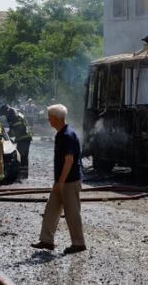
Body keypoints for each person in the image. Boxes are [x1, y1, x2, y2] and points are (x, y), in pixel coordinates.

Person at [31, 104, 86, 255]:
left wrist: (61, 182)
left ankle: (79, 243)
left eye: (49, 117)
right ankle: (46, 240)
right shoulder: (61, 134)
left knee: (72, 213)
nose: (48, 120)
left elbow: (69, 161)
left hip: (69, 181)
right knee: (51, 209)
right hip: (61, 181)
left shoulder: (67, 135)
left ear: (55, 118)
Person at [0, 104, 32, 178]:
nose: (5, 116)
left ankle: (22, 175)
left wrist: (8, 137)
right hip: (25, 137)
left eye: (4, 114)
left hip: (23, 138)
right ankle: (23, 175)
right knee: (24, 156)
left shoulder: (13, 116)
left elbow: (17, 129)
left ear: (6, 111)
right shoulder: (15, 113)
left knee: (21, 156)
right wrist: (7, 135)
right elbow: (14, 130)